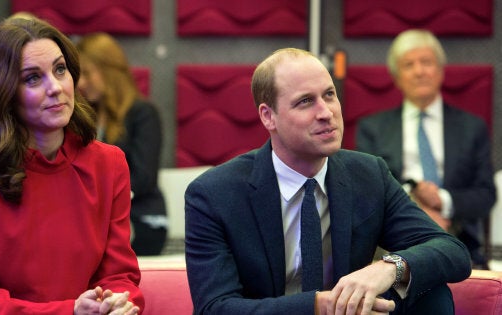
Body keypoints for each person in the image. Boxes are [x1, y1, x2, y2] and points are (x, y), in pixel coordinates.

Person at [184, 48, 471, 314]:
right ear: (268, 117)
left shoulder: (369, 175)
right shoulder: (213, 195)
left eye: (330, 95)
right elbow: (215, 308)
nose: (326, 112)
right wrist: (319, 305)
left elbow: (452, 252)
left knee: (431, 292)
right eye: (305, 101)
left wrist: (389, 268)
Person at [0, 17, 143, 314]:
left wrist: (117, 303)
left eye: (60, 70)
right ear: (4, 93)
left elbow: (120, 275)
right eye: (33, 78)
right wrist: (70, 311)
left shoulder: (109, 163)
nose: (56, 88)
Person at [356, 29, 496, 269]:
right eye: (409, 65)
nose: (419, 71)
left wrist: (443, 201)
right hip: (392, 242)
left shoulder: (471, 127)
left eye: (426, 62)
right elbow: (366, 192)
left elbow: (485, 195)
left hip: (459, 238)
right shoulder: (372, 129)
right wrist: (416, 211)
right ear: (397, 77)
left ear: (441, 71)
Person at [76, 32, 168, 256]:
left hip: (141, 217)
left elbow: (143, 178)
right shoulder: (84, 118)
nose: (80, 83)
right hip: (96, 218)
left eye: (87, 74)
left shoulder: (142, 113)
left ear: (109, 71)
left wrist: (98, 200)